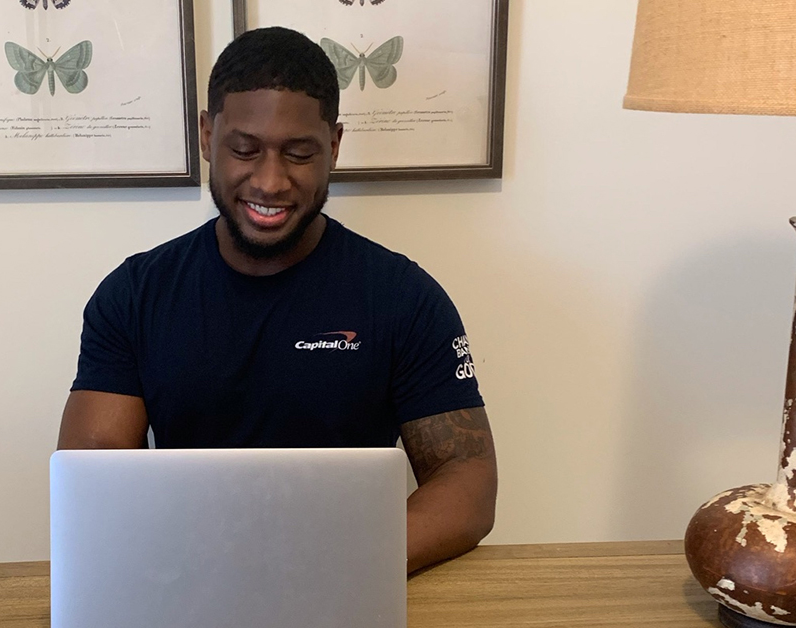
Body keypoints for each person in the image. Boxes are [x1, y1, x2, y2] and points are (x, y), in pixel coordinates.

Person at [57, 26, 496, 574]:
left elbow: (468, 481)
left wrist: (329, 566)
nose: (270, 181)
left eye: (298, 153)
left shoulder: (405, 299)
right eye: (244, 150)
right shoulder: (134, 295)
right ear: (206, 135)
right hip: (189, 577)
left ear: (333, 146)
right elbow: (93, 478)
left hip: (348, 575)